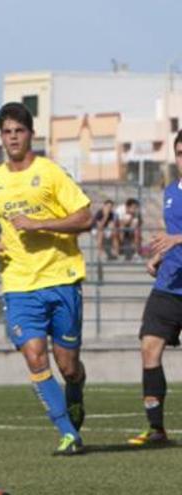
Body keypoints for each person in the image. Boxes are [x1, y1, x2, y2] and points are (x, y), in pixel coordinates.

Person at [0, 102, 91, 455]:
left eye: (19, 131)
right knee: (35, 356)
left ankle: (76, 388)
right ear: (0, 137)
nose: (13, 137)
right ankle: (69, 434)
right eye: (7, 132)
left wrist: (40, 223)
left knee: (67, 365)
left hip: (61, 278)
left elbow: (85, 217)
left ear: (31, 135)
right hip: (19, 284)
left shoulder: (51, 173)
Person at [127, 130, 182, 446]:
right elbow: (175, 233)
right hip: (169, 284)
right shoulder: (170, 192)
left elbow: (179, 235)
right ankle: (156, 429)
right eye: (179, 152)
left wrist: (176, 239)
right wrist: (159, 256)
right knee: (149, 348)